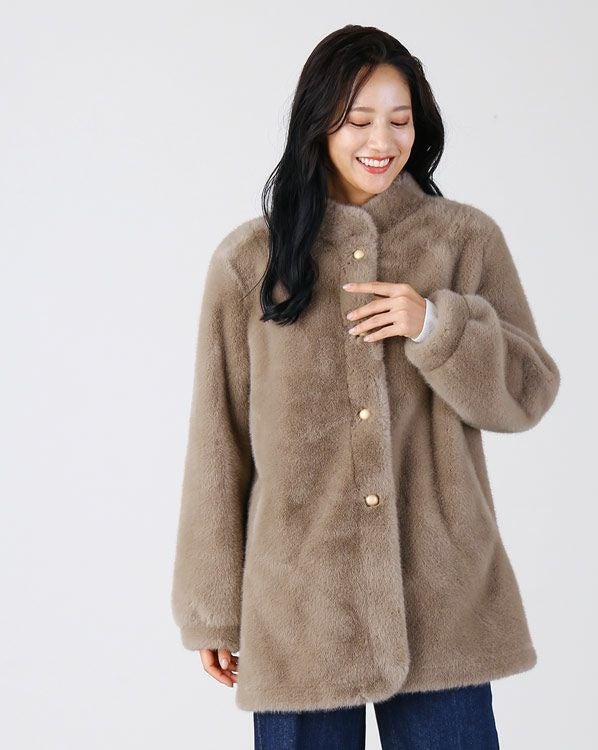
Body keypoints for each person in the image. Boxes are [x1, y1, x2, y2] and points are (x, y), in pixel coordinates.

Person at [171, 24, 561, 750]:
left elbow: (529, 391)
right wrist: (211, 607)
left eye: (400, 120)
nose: (382, 141)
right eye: (358, 120)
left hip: (440, 606)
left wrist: (436, 325)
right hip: (300, 611)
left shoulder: (463, 240)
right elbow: (217, 441)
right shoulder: (250, 261)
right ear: (318, 123)